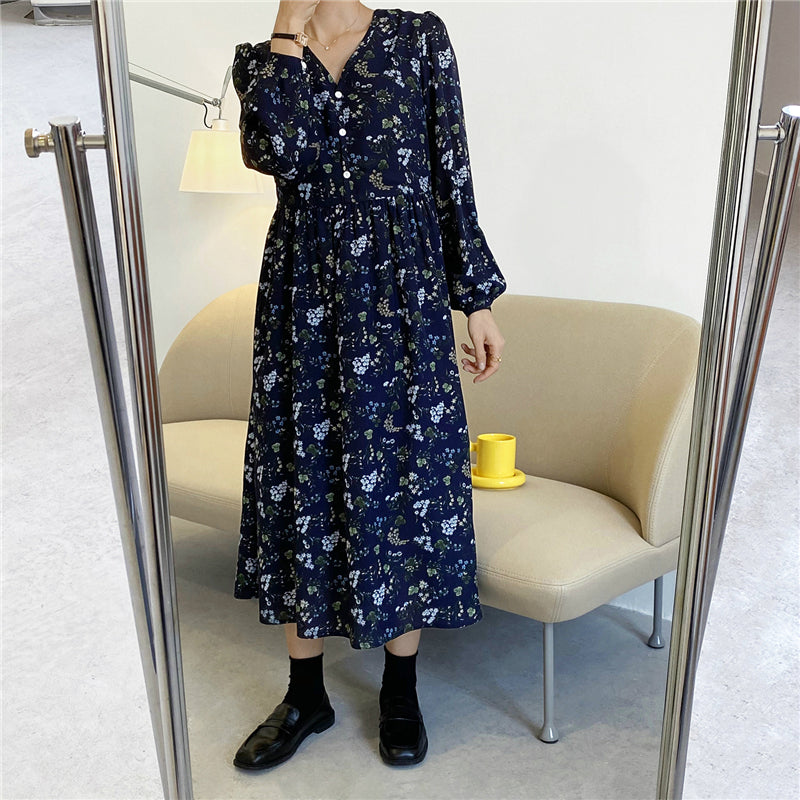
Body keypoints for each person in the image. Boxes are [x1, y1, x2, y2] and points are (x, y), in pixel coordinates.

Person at [230, 0, 507, 770]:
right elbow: (277, 152)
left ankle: (400, 691)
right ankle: (304, 694)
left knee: (405, 482)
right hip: (304, 306)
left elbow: (451, 173)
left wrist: (476, 300)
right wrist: (288, 30)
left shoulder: (418, 38)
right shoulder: (261, 60)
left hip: (402, 300)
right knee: (304, 482)